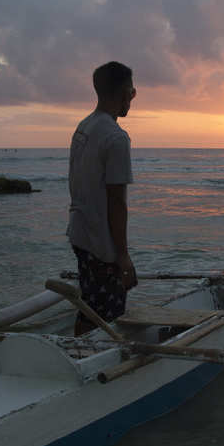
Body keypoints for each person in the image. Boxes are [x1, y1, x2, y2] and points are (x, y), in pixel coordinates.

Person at [67, 61, 138, 336]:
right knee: (107, 318)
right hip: (101, 244)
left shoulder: (84, 127)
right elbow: (116, 202)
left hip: (80, 233)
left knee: (89, 308)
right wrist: (122, 256)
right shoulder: (116, 138)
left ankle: (78, 355)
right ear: (124, 93)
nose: (132, 99)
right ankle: (95, 367)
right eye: (132, 93)